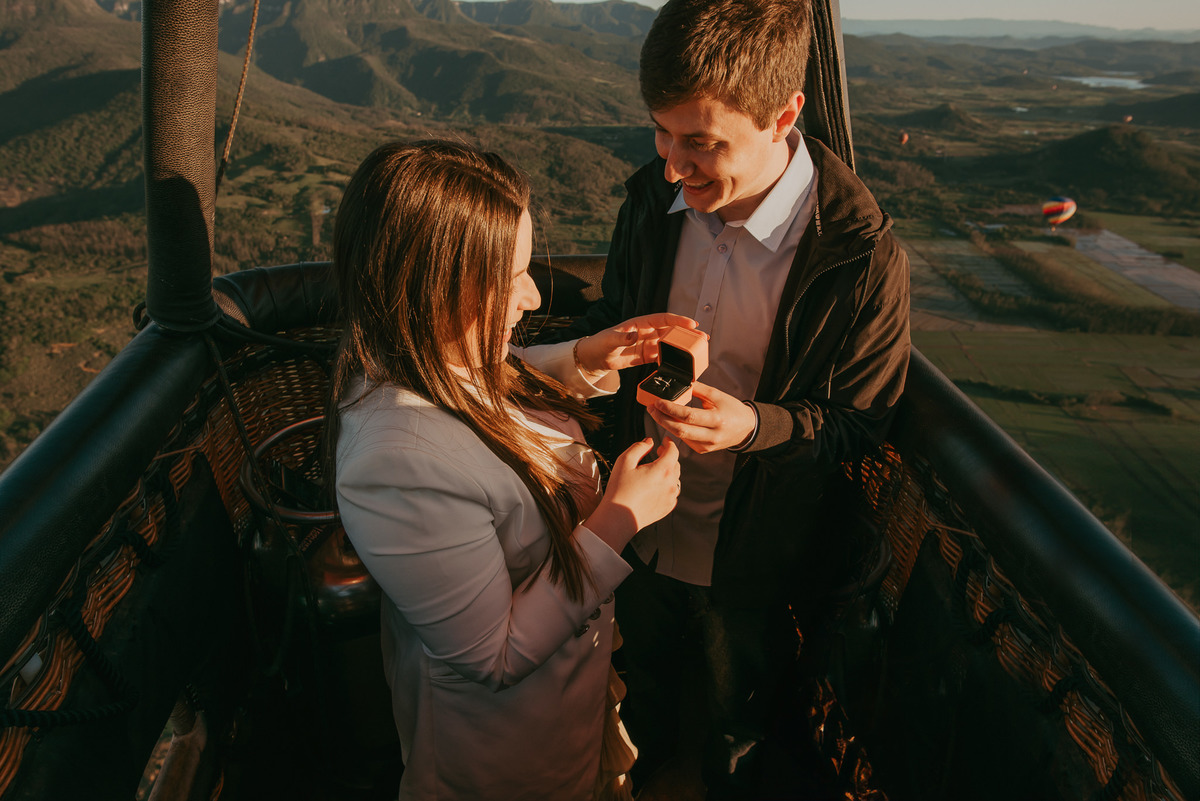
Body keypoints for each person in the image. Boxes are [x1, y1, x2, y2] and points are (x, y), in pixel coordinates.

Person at [563, 0, 912, 796]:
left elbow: (858, 427)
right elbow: (609, 313)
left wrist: (754, 426)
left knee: (738, 741)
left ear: (784, 115)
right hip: (635, 538)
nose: (671, 165)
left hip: (756, 571)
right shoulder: (650, 205)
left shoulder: (858, 256)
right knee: (637, 711)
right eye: (661, 133)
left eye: (701, 142)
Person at [328, 139, 699, 800]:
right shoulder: (394, 462)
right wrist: (619, 518)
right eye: (510, 277)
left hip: (564, 709)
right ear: (431, 286)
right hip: (503, 758)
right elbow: (492, 655)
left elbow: (488, 383)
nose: (529, 297)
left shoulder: (424, 356)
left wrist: (590, 355)